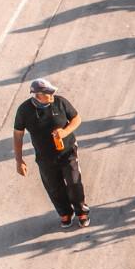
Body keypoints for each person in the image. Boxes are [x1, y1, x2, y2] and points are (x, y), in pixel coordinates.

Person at [13, 78, 90, 228]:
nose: (52, 94)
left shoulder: (60, 102)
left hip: (68, 152)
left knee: (74, 183)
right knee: (54, 187)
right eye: (48, 93)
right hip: (45, 157)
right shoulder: (24, 111)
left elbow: (77, 119)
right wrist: (19, 160)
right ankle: (65, 213)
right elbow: (18, 135)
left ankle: (81, 211)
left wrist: (65, 131)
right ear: (38, 95)